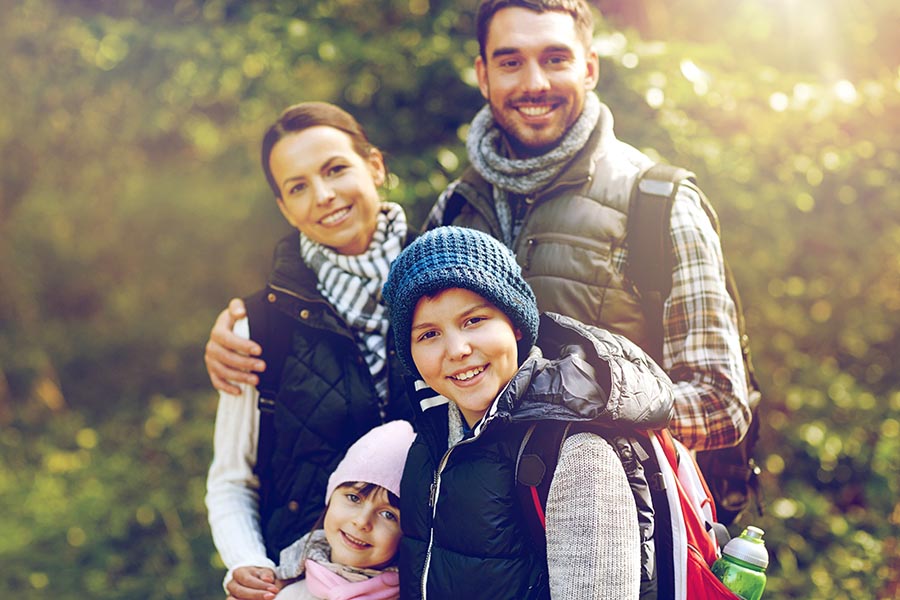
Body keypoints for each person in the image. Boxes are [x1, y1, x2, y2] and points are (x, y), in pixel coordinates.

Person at [203, 0, 750, 454]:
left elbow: (720, 406)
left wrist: (570, 414)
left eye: (555, 58)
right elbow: (388, 342)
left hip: (621, 540)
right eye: (510, 62)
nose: (534, 82)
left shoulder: (658, 202)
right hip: (476, 543)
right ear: (483, 74)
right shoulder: (456, 207)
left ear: (589, 67)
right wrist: (251, 325)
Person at [382, 226, 675, 599]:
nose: (456, 349)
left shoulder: (577, 454)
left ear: (516, 325)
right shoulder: (430, 444)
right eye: (428, 334)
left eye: (474, 320)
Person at [205, 101, 414, 600]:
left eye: (336, 169)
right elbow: (232, 480)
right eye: (298, 186)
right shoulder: (255, 325)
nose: (323, 196)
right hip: (307, 586)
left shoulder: (447, 291)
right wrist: (248, 564)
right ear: (284, 207)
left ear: (376, 167)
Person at [271, 420, 414, 600]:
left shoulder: (414, 594)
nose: (362, 522)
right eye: (354, 498)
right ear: (330, 497)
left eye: (388, 514)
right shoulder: (282, 590)